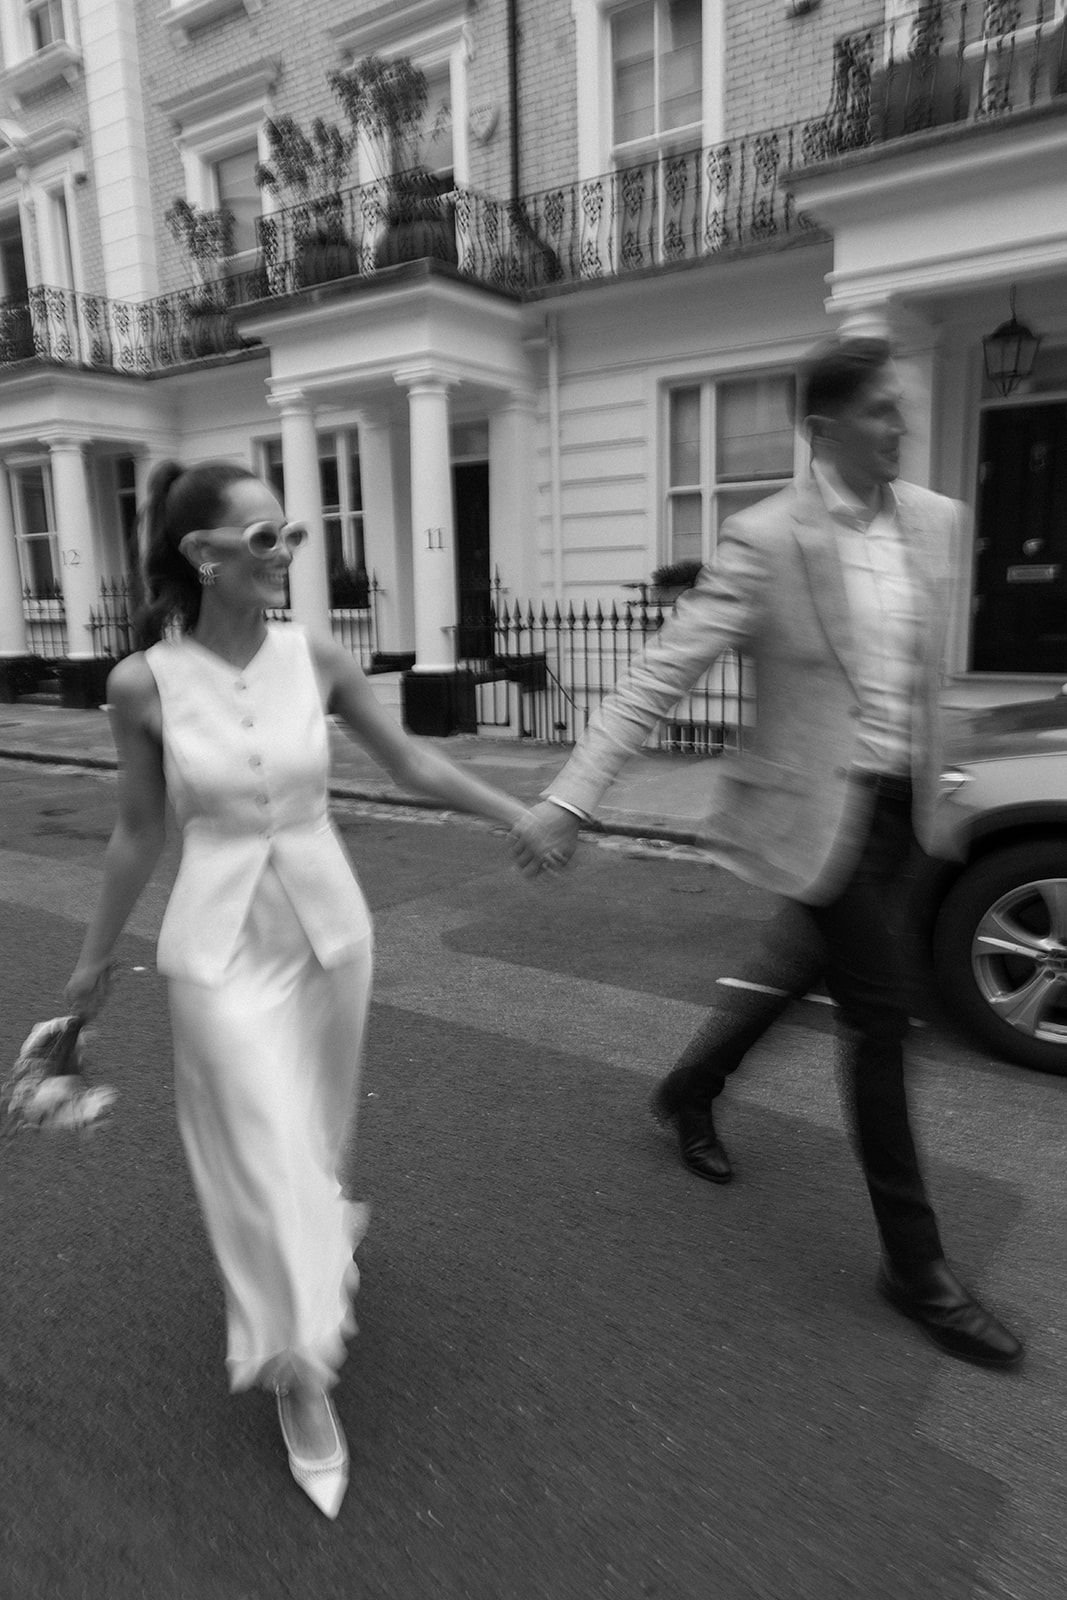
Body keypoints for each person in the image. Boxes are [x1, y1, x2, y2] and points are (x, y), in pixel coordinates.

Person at [512, 336, 1024, 1370]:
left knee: (804, 968)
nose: (899, 427)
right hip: (811, 817)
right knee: (883, 1016)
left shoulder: (936, 523)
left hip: (900, 811)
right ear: (821, 428)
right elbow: (658, 676)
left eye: (901, 409)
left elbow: (924, 677)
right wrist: (570, 798)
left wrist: (951, 772)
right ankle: (913, 1264)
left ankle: (687, 1090)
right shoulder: (763, 540)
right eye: (879, 411)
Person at [64, 460, 534, 1518]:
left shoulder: (313, 654)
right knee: (260, 1153)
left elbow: (410, 763)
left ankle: (319, 1236)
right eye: (270, 537)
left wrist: (522, 816)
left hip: (328, 936)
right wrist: (91, 961)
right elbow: (139, 829)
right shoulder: (141, 685)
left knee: (313, 1139)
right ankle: (300, 1372)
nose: (290, 556)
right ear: (205, 555)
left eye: (293, 538)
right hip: (216, 950)